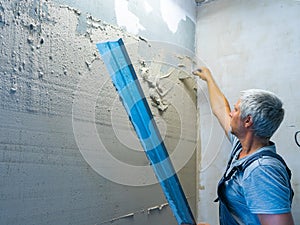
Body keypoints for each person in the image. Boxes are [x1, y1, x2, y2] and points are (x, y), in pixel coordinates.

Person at [193, 67, 294, 225]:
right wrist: (208, 78)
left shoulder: (262, 170)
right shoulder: (241, 147)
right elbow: (220, 109)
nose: (231, 114)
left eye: (236, 110)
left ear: (247, 121)